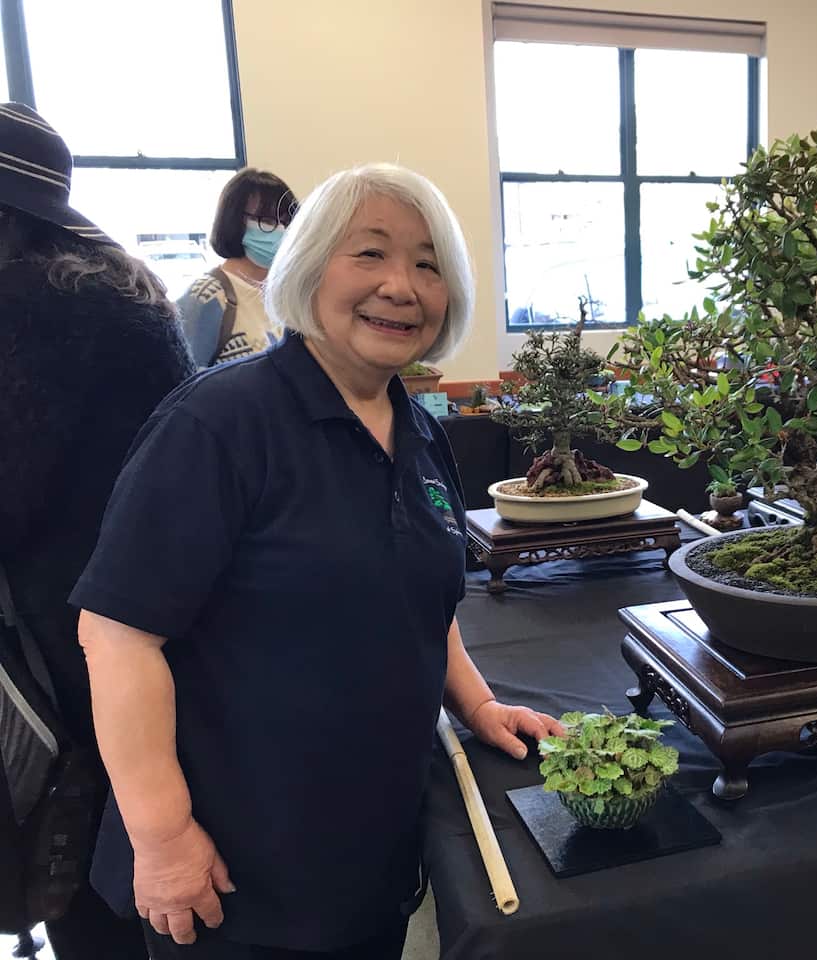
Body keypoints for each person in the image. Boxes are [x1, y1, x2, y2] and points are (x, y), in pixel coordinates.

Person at [71, 163, 563, 959]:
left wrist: (475, 704)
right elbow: (118, 635)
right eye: (369, 254)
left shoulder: (421, 429)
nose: (402, 286)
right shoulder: (221, 424)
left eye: (429, 264)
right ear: (305, 266)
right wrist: (162, 839)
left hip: (364, 852)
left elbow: (417, 603)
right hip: (234, 874)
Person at [0, 102, 195, 959]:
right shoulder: (120, 288)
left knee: (85, 882)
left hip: (72, 647)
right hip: (162, 624)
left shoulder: (32, 311)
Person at [176, 168, 297, 367]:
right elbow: (183, 384)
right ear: (234, 220)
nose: (281, 231)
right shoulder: (208, 296)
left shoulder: (285, 295)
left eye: (286, 222)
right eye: (267, 221)